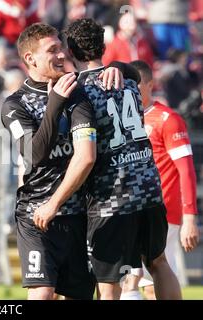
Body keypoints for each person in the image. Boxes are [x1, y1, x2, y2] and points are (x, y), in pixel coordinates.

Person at [0, 22, 123, 300]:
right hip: (36, 215)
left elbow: (85, 155)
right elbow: (34, 153)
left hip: (77, 214)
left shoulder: (76, 93)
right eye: (52, 50)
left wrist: (119, 67)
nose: (60, 55)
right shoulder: (14, 105)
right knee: (42, 293)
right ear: (30, 58)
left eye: (61, 48)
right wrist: (54, 103)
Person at [61, 18, 181, 300]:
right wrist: (118, 65)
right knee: (159, 263)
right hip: (149, 188)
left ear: (70, 51)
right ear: (103, 46)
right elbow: (135, 75)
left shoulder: (78, 91)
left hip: (111, 196)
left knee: (108, 282)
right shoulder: (127, 81)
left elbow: (84, 152)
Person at [121, 60, 200, 300]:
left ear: (150, 85)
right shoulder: (122, 120)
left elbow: (186, 170)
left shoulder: (168, 119)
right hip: (132, 209)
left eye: (136, 85)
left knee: (142, 279)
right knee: (137, 281)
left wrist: (189, 218)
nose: (131, 91)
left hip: (163, 212)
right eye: (127, 85)